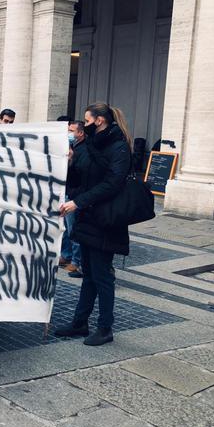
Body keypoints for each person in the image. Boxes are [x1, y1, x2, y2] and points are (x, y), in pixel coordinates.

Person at [55, 102, 132, 346]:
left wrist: (78, 202)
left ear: (99, 120)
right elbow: (80, 178)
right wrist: (69, 163)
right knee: (88, 273)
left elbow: (113, 183)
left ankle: (105, 328)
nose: (83, 125)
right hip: (88, 216)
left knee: (102, 275)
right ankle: (80, 322)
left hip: (106, 219)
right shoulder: (88, 144)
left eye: (87, 121)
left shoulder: (119, 147)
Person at [60, 120, 87, 278]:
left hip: (75, 194)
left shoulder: (83, 150)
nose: (69, 133)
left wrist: (70, 160)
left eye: (71, 131)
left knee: (73, 229)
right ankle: (66, 254)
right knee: (66, 227)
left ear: (80, 133)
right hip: (68, 191)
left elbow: (78, 173)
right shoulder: (73, 147)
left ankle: (76, 261)